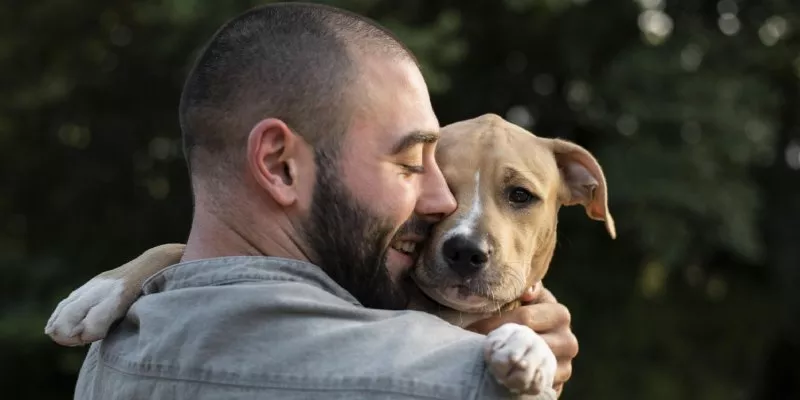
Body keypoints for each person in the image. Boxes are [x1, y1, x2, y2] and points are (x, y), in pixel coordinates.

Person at [74, 3, 578, 399]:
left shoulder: (112, 350)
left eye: (517, 195)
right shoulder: (447, 380)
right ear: (280, 165)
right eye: (408, 165)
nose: (441, 202)